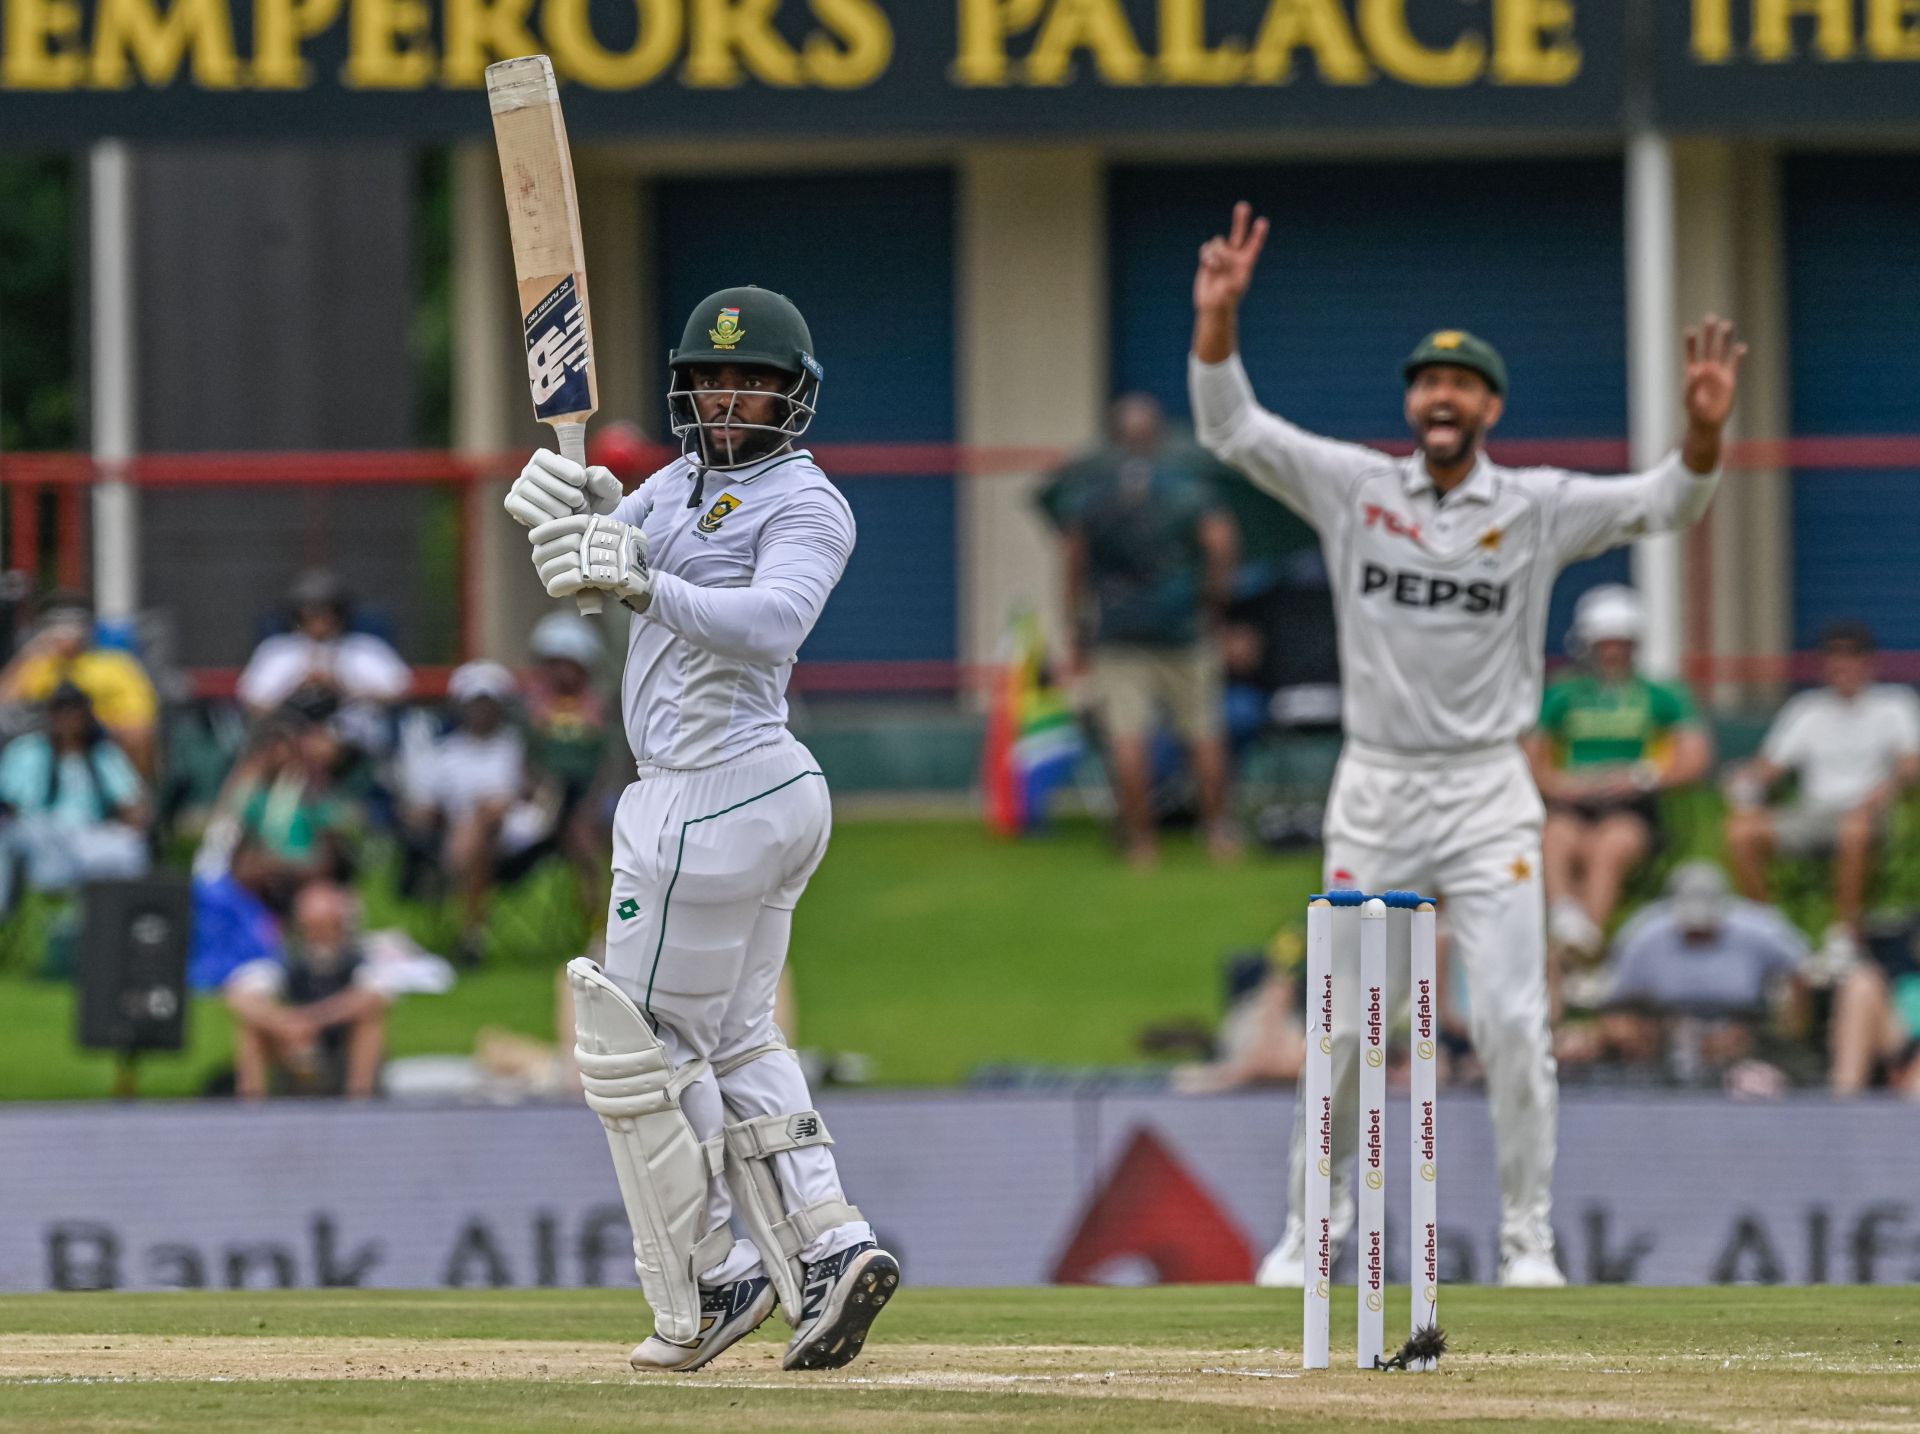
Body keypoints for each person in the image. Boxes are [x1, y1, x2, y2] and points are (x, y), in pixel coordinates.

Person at [1189, 202, 1744, 1286]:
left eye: (1462, 385)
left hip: (1490, 788)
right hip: (1378, 785)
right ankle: (1314, 1238)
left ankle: (1531, 1245)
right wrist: (1218, 324)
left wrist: (1707, 430)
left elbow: (1671, 502)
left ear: (1490, 405)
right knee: (1345, 1027)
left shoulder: (1536, 507)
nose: (1440, 397)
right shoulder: (1354, 488)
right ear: (1412, 404)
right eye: (1426, 384)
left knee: (1517, 1022)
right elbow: (1232, 430)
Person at [503, 285, 898, 1373]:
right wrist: (570, 507)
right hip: (739, 795)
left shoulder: (808, 503)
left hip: (718, 786)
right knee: (737, 1041)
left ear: (794, 398)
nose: (730, 400)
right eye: (713, 381)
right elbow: (586, 568)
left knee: (637, 1053)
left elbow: (773, 620)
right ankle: (830, 1239)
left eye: (753, 383)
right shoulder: (674, 485)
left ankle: (713, 1279)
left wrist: (641, 576)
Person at [1046, 394, 1240, 865]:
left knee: (1127, 737)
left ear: (1113, 436)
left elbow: (1073, 560)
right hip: (1184, 628)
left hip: (1117, 629)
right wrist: (1214, 607)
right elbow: (1220, 545)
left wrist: (1076, 627)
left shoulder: (1090, 490)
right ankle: (1217, 834)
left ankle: (1140, 844)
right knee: (1204, 732)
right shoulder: (1188, 485)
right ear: (1158, 435)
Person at [1527, 584, 1712, 984]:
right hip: (1572, 803)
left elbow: (1695, 756)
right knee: (1554, 836)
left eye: (1621, 644)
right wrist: (1563, 785)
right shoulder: (1563, 694)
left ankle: (1584, 950)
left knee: (1608, 846)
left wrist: (1642, 777)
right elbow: (1532, 757)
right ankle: (1568, 925)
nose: (1613, 653)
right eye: (1605, 644)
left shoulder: (1660, 694)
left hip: (1633, 807)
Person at [1724, 622, 1920, 974]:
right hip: (1811, 812)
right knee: (1741, 831)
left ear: (1868, 664)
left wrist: (1881, 793)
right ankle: (1769, 932)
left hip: (1869, 812)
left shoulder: (1894, 705)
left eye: (1851, 658)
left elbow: (1910, 764)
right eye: (1834, 659)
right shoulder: (1806, 710)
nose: (1842, 667)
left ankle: (1844, 935)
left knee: (1855, 827)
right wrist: (1746, 780)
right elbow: (1771, 765)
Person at [1598, 861, 1807, 1092]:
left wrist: (1774, 1034)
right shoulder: (1642, 936)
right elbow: (1617, 1004)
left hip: (1746, 1029)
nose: (1698, 937)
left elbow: (1803, 973)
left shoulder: (1762, 931)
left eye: (1706, 932)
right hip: (1667, 1033)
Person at [399, 659, 546, 966]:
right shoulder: (444, 755)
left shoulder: (517, 747)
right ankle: (472, 931)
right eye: (475, 704)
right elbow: (424, 810)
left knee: (486, 816)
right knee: (478, 826)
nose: (482, 711)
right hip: (465, 837)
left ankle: (469, 926)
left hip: (518, 838)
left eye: (488, 703)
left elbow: (537, 793)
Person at [222, 880, 390, 1099]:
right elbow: (238, 997)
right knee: (253, 1029)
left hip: (341, 1054)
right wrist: (283, 1022)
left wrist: (312, 1020)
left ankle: (360, 1100)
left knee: (369, 1022)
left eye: (328, 926)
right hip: (294, 1049)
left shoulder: (361, 958)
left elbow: (374, 997)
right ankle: (251, 1105)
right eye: (313, 927)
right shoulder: (287, 960)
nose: (320, 936)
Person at [0, 683, 149, 913]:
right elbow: (10, 805)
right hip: (38, 831)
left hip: (87, 834)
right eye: (62, 711)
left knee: (129, 848)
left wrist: (133, 822)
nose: (69, 719)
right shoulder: (26, 751)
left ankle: (122, 918)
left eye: (75, 712)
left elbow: (131, 802)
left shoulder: (103, 754)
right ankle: (41, 915)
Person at [237, 570, 411, 751]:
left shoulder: (364, 649)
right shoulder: (277, 651)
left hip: (351, 734)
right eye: (310, 610)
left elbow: (399, 691)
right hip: (289, 731)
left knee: (328, 742)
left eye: (325, 610)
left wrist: (341, 686)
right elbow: (254, 702)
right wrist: (298, 687)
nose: (318, 618)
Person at [0, 591, 159, 775]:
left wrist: (86, 727)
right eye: (56, 626)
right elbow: (4, 699)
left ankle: (131, 794)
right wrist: (29, 653)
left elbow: (139, 717)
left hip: (101, 739)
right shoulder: (38, 664)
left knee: (138, 736)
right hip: (45, 743)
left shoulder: (114, 664)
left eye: (72, 626)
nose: (64, 634)